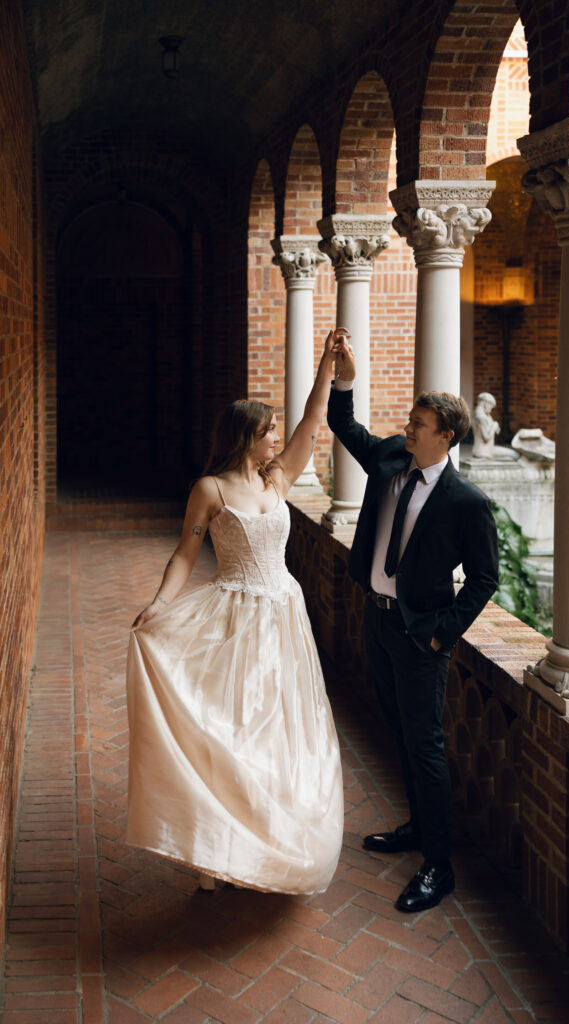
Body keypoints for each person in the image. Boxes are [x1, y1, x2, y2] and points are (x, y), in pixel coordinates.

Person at [126, 329, 348, 895]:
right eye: (267, 430)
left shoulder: (279, 479)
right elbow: (184, 554)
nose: (277, 436)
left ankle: (270, 839)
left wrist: (326, 365)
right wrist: (158, 604)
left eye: (275, 428)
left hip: (284, 616)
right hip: (233, 616)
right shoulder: (209, 490)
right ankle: (215, 847)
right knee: (231, 729)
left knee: (280, 731)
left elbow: (311, 421)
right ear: (246, 437)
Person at [327, 339, 498, 913]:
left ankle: (438, 866)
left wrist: (439, 634)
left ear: (446, 435)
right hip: (377, 623)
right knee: (399, 731)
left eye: (419, 425)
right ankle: (417, 830)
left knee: (425, 745)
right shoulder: (391, 459)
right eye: (410, 421)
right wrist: (345, 376)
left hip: (420, 637)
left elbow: (482, 580)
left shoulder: (465, 502)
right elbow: (340, 421)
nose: (408, 429)